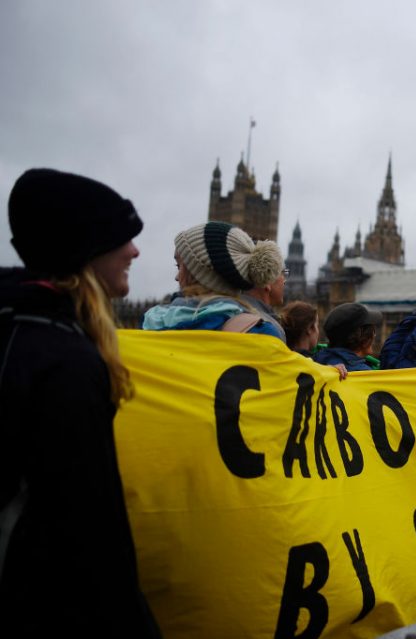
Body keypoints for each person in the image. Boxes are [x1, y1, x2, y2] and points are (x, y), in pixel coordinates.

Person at [0, 168, 160, 636]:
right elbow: (91, 532)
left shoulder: (21, 326)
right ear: (83, 248)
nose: (134, 251)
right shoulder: (65, 360)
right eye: (121, 239)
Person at [142, 221, 284, 338]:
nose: (176, 277)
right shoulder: (261, 332)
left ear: (202, 273)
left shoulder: (153, 323)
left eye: (180, 266)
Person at [278, 300, 348, 379]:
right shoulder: (317, 366)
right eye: (317, 326)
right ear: (310, 329)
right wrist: (331, 371)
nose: (318, 331)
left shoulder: (277, 362)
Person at [315, 302, 383, 372]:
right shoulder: (363, 373)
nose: (374, 335)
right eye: (373, 331)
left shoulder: (316, 361)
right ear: (362, 337)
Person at [240, 242, 288, 340]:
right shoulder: (268, 329)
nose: (285, 281)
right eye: (282, 273)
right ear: (268, 282)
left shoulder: (233, 309)